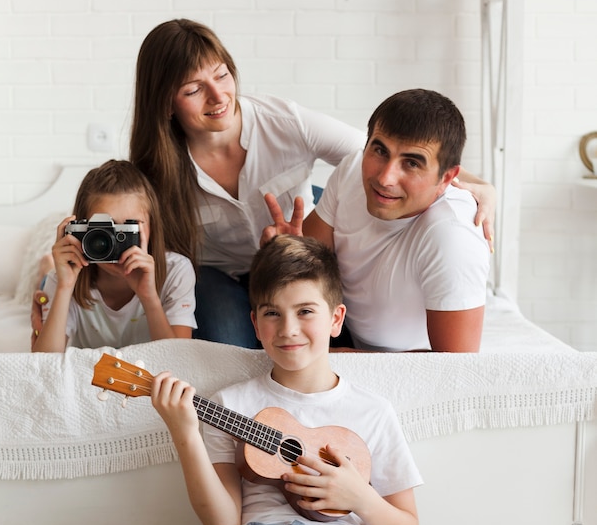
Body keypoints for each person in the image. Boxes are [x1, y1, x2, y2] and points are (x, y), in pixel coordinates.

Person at [32, 20, 495, 349]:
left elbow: (376, 154)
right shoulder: (155, 167)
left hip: (295, 242)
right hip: (220, 270)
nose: (218, 97)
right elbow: (119, 227)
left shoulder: (284, 121)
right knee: (238, 357)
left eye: (222, 75)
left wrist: (474, 183)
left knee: (317, 328)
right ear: (166, 103)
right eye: (193, 89)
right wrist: (51, 280)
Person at [151, 234, 422, 525]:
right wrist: (185, 434)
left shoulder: (373, 411)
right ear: (255, 324)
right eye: (272, 313)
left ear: (336, 319)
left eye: (305, 311)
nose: (288, 329)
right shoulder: (230, 403)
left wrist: (360, 497)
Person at [263, 89, 491, 353]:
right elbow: (307, 273)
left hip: (402, 364)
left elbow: (452, 368)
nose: (385, 178)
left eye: (412, 163)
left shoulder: (453, 236)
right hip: (343, 329)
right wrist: (280, 253)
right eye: (380, 150)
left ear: (446, 178)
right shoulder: (351, 170)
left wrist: (346, 358)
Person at [32, 160, 196, 352]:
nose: (112, 242)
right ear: (84, 229)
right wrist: (64, 287)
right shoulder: (62, 280)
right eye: (104, 230)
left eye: (127, 227)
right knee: (49, 281)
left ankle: (46, 268)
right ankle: (46, 268)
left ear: (152, 225)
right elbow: (44, 364)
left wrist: (149, 296)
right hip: (70, 277)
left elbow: (178, 359)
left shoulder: (177, 271)